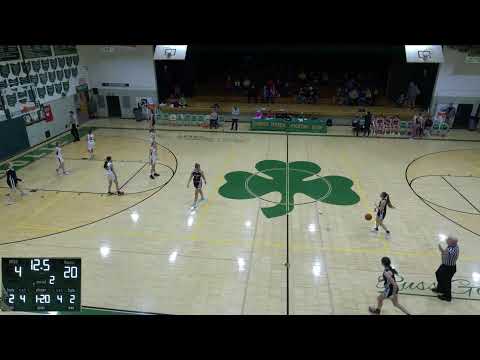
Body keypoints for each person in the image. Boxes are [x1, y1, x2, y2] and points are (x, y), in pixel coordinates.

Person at [431, 236, 459, 302]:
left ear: (452, 242)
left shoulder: (452, 250)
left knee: (447, 282)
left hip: (449, 268)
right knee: (438, 274)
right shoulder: (453, 245)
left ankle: (447, 297)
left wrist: (440, 248)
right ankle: (440, 289)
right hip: (445, 265)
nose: (446, 241)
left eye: (448, 241)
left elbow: (444, 253)